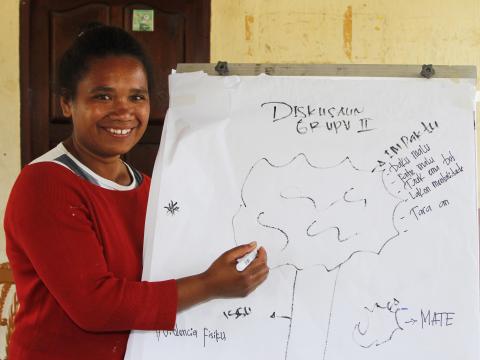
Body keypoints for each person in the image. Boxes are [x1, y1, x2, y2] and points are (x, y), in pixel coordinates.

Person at [3, 24, 269, 360]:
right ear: (67, 103)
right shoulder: (46, 184)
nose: (124, 111)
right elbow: (95, 306)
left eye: (137, 96)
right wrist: (210, 285)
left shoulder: (148, 187)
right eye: (103, 96)